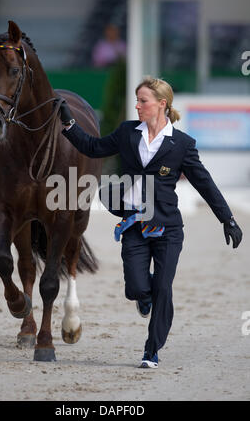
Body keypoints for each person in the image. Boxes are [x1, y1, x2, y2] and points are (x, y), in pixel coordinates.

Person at [57, 76, 243, 369]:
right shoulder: (127, 132)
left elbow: (204, 184)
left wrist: (227, 219)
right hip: (134, 226)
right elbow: (92, 147)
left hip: (168, 229)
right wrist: (68, 125)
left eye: (143, 101)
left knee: (163, 289)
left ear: (161, 104)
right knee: (136, 288)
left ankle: (151, 350)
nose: (137, 105)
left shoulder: (182, 144)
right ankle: (144, 298)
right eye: (137, 100)